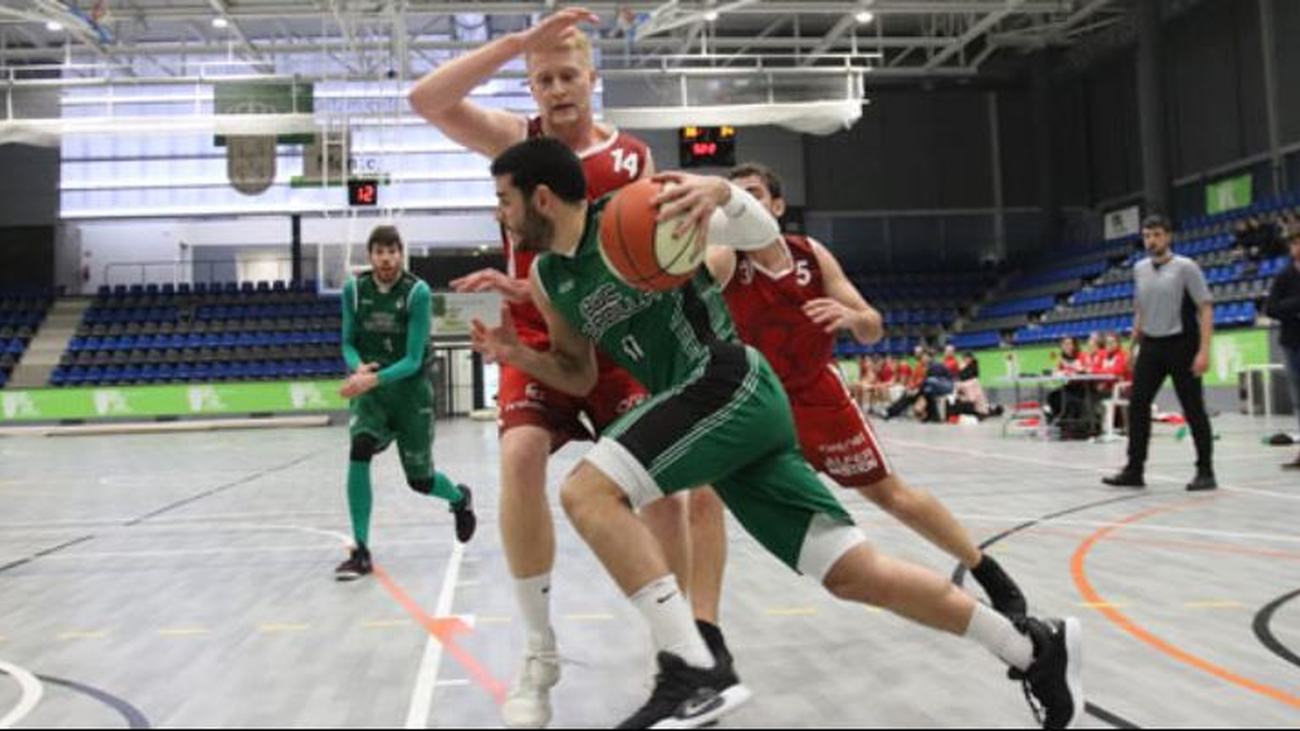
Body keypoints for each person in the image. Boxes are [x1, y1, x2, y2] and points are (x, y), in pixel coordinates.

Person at [473, 137, 1082, 730]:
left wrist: (723, 195)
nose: (501, 214)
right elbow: (577, 373)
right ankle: (1032, 647)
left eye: (505, 200)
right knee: (852, 572)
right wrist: (517, 355)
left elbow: (763, 236)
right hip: (713, 416)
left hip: (724, 379)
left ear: (542, 198)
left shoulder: (639, 211)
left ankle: (691, 668)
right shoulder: (549, 277)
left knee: (586, 490)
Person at [407, 10, 700, 726]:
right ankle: (538, 653)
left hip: (617, 330)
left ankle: (682, 655)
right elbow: (426, 100)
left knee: (667, 492)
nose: (558, 89)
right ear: (531, 87)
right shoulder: (516, 140)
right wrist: (517, 42)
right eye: (543, 79)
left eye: (568, 75)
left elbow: (649, 255)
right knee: (520, 457)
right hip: (537, 322)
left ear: (592, 79)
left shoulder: (633, 158)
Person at [691, 162, 1025, 645]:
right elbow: (693, 280)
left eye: (754, 194)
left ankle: (985, 568)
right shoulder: (725, 258)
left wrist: (851, 317)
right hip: (757, 400)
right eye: (734, 196)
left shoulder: (811, 255)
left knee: (892, 495)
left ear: (777, 206)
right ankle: (704, 631)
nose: (743, 204)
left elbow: (873, 327)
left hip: (818, 397)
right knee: (703, 495)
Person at [335, 225, 477, 580]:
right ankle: (361, 550)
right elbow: (347, 342)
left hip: (410, 394)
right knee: (360, 448)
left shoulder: (417, 292)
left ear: (401, 254)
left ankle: (459, 499)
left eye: (392, 251)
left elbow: (413, 360)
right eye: (379, 252)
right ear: (370, 256)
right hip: (373, 395)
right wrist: (357, 366)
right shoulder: (354, 290)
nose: (386, 258)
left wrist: (371, 378)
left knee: (421, 481)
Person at [1103, 214, 1217, 491]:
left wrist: (1204, 351)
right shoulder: (1139, 269)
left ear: (1168, 237)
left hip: (1182, 344)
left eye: (1156, 235)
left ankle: (1205, 471)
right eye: (1147, 236)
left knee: (1193, 408)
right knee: (1138, 405)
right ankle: (1134, 469)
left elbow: (1205, 307)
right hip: (1151, 346)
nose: (1151, 241)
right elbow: (1140, 310)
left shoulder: (1186, 267)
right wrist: (1132, 347)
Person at [1265, 228, 1300, 470]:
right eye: (1294, 243)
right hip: (1293, 343)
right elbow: (1271, 308)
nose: (1297, 247)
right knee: (1299, 398)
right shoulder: (1284, 276)